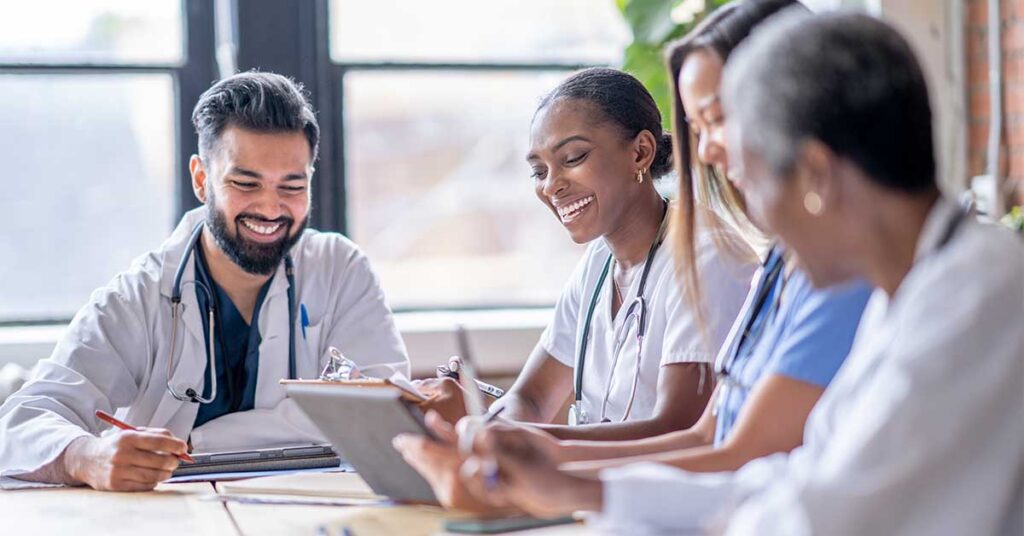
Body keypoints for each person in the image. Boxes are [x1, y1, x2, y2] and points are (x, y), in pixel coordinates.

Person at [463, 11, 1024, 535]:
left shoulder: (973, 297)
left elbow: (821, 512)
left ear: (814, 176)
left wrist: (574, 485)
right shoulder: (904, 289)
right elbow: (786, 480)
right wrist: (568, 484)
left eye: (751, 179)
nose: (754, 226)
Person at [399, 0, 870, 503]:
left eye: (719, 122)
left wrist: (548, 467)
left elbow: (709, 440)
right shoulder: (785, 266)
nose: (707, 151)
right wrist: (505, 444)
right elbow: (705, 437)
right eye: (539, 170)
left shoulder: (762, 264)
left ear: (641, 153)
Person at [0, 71, 409, 491]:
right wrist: (86, 457)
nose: (271, 208)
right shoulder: (139, 296)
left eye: (292, 185)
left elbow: (384, 420)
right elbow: (23, 419)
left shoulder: (341, 271)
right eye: (245, 183)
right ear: (201, 179)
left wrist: (195, 442)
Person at [419, 67, 756, 441]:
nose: (552, 186)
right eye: (538, 171)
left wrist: (528, 442)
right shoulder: (598, 264)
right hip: (600, 486)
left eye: (574, 157)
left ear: (640, 152)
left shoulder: (707, 257)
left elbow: (679, 429)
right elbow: (531, 400)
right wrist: (480, 423)